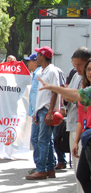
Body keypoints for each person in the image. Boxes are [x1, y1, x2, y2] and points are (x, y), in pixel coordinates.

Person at [38, 59, 91, 193]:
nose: (89, 72)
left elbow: (74, 95)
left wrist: (52, 87)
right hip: (87, 138)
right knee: (82, 173)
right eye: (88, 69)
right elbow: (74, 99)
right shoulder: (87, 91)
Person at [63, 47, 91, 193]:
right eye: (76, 66)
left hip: (85, 132)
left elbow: (75, 96)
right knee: (79, 173)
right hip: (77, 128)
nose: (79, 69)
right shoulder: (76, 77)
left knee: (83, 172)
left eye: (81, 65)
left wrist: (55, 88)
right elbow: (71, 99)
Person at [26, 46, 61, 180]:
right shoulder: (43, 71)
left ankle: (41, 170)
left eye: (39, 54)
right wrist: (36, 111)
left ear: (43, 56)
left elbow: (55, 91)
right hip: (41, 109)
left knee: (43, 140)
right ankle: (50, 168)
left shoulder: (51, 71)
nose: (37, 57)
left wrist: (51, 111)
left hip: (47, 109)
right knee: (45, 140)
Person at [24, 53, 42, 175]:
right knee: (40, 139)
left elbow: (40, 95)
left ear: (35, 62)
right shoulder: (35, 74)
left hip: (39, 111)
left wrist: (36, 111)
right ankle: (42, 165)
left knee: (37, 139)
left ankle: (41, 166)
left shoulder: (39, 74)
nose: (28, 63)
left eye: (29, 61)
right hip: (37, 111)